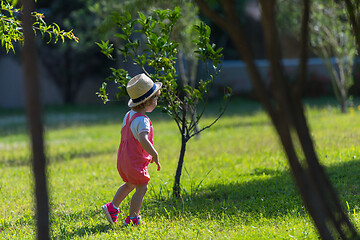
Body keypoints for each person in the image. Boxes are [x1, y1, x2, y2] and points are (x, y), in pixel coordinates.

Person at [102, 73, 162, 226]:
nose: (157, 101)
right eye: (156, 98)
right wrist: (154, 153)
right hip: (135, 161)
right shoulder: (143, 121)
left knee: (130, 184)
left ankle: (112, 207)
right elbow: (143, 139)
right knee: (142, 187)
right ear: (147, 101)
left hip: (123, 159)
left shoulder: (129, 115)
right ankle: (133, 218)